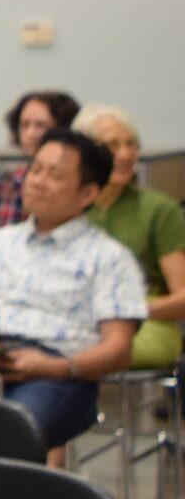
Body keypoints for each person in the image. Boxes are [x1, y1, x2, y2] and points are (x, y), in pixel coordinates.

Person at [0, 128, 144, 463]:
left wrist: (57, 367)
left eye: (54, 175)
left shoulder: (109, 257)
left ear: (87, 193)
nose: (37, 181)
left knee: (8, 436)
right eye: (35, 169)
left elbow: (119, 350)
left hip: (56, 375)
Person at [74, 104, 185, 373]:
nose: (125, 155)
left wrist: (127, 310)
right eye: (112, 145)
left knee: (84, 350)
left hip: (145, 320)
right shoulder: (67, 208)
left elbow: (182, 296)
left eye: (131, 144)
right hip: (72, 315)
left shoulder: (158, 208)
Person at [0, 89, 82, 235]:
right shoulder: (7, 181)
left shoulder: (74, 181)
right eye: (25, 125)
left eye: (40, 125)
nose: (30, 134)